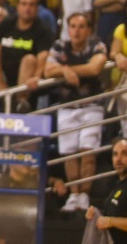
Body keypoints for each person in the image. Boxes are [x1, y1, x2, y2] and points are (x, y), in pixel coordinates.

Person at [44, 12, 107, 212]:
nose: (77, 31)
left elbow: (95, 68)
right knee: (69, 153)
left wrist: (67, 69)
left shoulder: (97, 44)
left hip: (91, 105)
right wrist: (64, 71)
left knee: (87, 151)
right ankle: (74, 195)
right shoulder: (59, 46)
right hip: (66, 106)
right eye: (73, 26)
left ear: (88, 30)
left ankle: (85, 196)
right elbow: (47, 70)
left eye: (81, 26)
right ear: (68, 28)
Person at [88, 137, 127, 242]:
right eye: (115, 154)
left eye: (124, 154)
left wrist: (110, 221)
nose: (118, 159)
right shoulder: (118, 185)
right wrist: (96, 213)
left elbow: (111, 220)